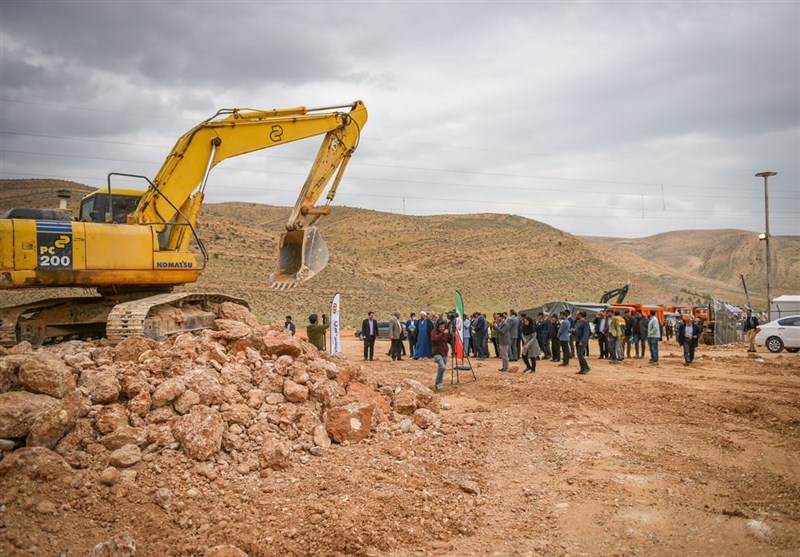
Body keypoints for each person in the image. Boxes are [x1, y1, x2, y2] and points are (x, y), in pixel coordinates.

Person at [431, 320, 451, 391]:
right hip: (437, 353)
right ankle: (439, 384)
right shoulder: (434, 332)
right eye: (440, 327)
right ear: (438, 326)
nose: (442, 328)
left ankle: (438, 383)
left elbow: (449, 340)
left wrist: (453, 336)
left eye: (443, 327)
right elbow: (435, 339)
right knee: (442, 367)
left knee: (442, 369)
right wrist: (442, 333)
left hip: (444, 353)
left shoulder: (446, 333)